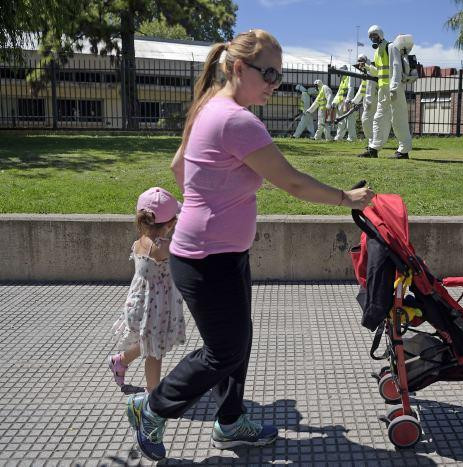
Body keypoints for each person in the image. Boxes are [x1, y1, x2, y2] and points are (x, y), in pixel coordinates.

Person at [124, 29, 374, 462]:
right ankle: (152, 408)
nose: (276, 84)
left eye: (281, 75)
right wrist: (344, 198)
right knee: (224, 349)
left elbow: (177, 164)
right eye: (270, 74)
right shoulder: (236, 120)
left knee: (237, 341)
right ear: (239, 68)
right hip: (207, 258)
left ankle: (230, 421)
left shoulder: (211, 106)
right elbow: (292, 181)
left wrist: (206, 201)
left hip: (221, 253)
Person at [108, 187, 186, 394]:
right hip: (155, 307)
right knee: (154, 351)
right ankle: (153, 394)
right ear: (170, 224)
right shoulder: (163, 247)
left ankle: (120, 361)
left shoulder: (140, 241)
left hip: (138, 303)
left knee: (147, 341)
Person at [357, 25, 389, 158]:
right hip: (384, 88)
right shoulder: (377, 52)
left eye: (374, 35)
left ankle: (374, 149)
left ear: (380, 34)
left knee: (381, 119)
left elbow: (396, 67)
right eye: (370, 37)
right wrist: (368, 68)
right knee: (380, 119)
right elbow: (377, 73)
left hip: (390, 87)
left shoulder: (389, 47)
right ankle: (374, 148)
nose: (373, 39)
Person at [352, 54, 378, 145]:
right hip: (368, 101)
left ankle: (372, 142)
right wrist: (355, 101)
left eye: (361, 60)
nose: (360, 63)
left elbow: (376, 72)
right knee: (370, 121)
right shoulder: (365, 74)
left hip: (373, 100)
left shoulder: (371, 69)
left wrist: (366, 66)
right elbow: (362, 89)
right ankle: (373, 142)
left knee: (366, 120)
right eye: (359, 61)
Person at [332, 66, 356, 141]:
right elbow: (339, 92)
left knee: (350, 120)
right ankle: (339, 137)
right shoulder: (343, 79)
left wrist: (348, 100)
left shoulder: (349, 76)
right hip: (341, 101)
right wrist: (334, 102)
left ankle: (352, 138)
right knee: (340, 121)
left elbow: (351, 88)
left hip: (347, 101)